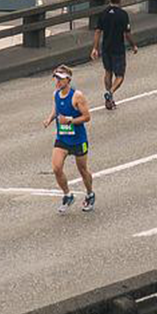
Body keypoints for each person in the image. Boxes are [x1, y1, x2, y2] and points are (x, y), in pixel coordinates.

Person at [48, 65, 95, 212]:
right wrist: (49, 119)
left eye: (60, 79)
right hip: (62, 138)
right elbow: (56, 109)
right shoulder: (56, 94)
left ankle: (90, 194)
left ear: (68, 80)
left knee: (82, 170)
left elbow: (87, 117)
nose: (57, 82)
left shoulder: (77, 96)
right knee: (56, 168)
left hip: (78, 140)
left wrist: (70, 121)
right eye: (56, 78)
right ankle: (67, 195)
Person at [90, 0, 136, 110]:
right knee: (120, 76)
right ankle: (110, 93)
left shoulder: (104, 13)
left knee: (108, 71)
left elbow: (98, 31)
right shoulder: (123, 15)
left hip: (106, 47)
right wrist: (133, 45)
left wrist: (95, 48)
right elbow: (127, 33)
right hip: (118, 48)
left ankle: (109, 99)